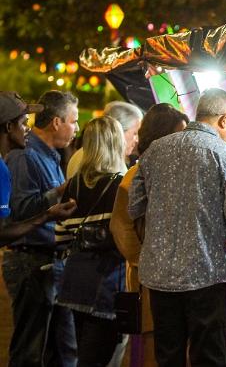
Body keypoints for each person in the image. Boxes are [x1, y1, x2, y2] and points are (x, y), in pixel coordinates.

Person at [129, 88, 226, 367]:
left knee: (168, 355)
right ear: (223, 120)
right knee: (207, 355)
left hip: (158, 277)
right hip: (204, 274)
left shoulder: (155, 150)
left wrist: (153, 243)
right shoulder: (225, 154)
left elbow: (135, 208)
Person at [3, 90, 79, 367]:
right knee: (30, 350)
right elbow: (19, 210)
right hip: (30, 260)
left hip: (49, 261)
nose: (76, 128)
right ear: (57, 122)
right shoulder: (24, 155)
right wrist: (59, 193)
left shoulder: (51, 156)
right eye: (73, 121)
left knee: (62, 350)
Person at [110, 103, 189, 367]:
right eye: (178, 135)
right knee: (155, 347)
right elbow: (121, 226)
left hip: (174, 276)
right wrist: (143, 260)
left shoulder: (176, 173)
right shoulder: (136, 175)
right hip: (150, 279)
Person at [54, 116, 127, 367]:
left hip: (74, 280)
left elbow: (60, 236)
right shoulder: (120, 186)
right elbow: (127, 239)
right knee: (98, 357)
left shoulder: (73, 184)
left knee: (83, 353)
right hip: (106, 284)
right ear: (115, 144)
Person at [0, 91, 76, 248]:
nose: (28, 128)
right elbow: (7, 226)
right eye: (23, 123)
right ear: (9, 127)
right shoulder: (20, 158)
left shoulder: (51, 155)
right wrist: (49, 212)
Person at [67, 100, 143, 178]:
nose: (137, 139)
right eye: (135, 133)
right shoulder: (100, 163)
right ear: (118, 131)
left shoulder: (88, 155)